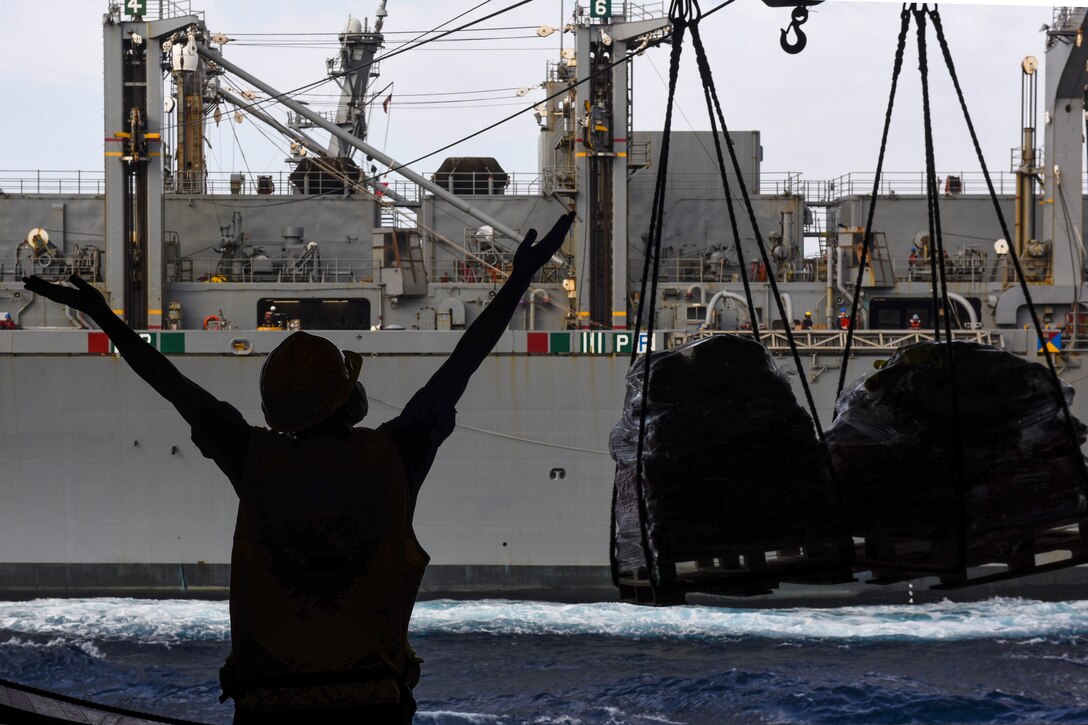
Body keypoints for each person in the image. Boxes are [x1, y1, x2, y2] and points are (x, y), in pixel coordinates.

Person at [23, 212, 574, 724]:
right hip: (373, 704)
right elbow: (463, 362)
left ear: (277, 412)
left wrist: (102, 315)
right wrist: (518, 278)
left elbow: (172, 385)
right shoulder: (394, 457)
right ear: (349, 397)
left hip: (267, 709)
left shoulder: (256, 461)